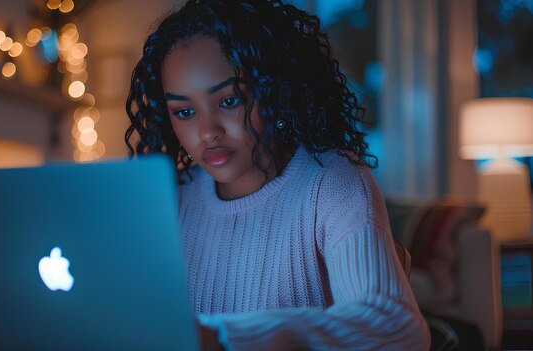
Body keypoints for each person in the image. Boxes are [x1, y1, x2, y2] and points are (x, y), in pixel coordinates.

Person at [124, 0, 431, 350]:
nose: (207, 131)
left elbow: (397, 326)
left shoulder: (331, 182)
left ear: (278, 92)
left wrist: (225, 338)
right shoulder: (172, 202)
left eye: (229, 101)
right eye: (185, 111)